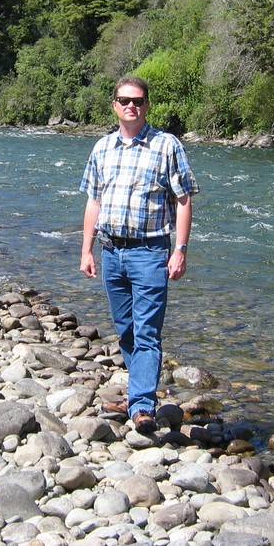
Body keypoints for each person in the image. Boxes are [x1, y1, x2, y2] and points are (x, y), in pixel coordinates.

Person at [79, 76, 199, 434]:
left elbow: (184, 200)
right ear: (114, 105)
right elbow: (94, 201)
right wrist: (86, 249)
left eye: (137, 100)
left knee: (147, 331)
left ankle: (143, 404)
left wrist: (180, 249)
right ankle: (137, 395)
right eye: (124, 100)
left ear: (146, 105)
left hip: (150, 252)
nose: (131, 106)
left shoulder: (167, 145)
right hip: (111, 251)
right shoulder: (102, 148)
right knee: (126, 330)